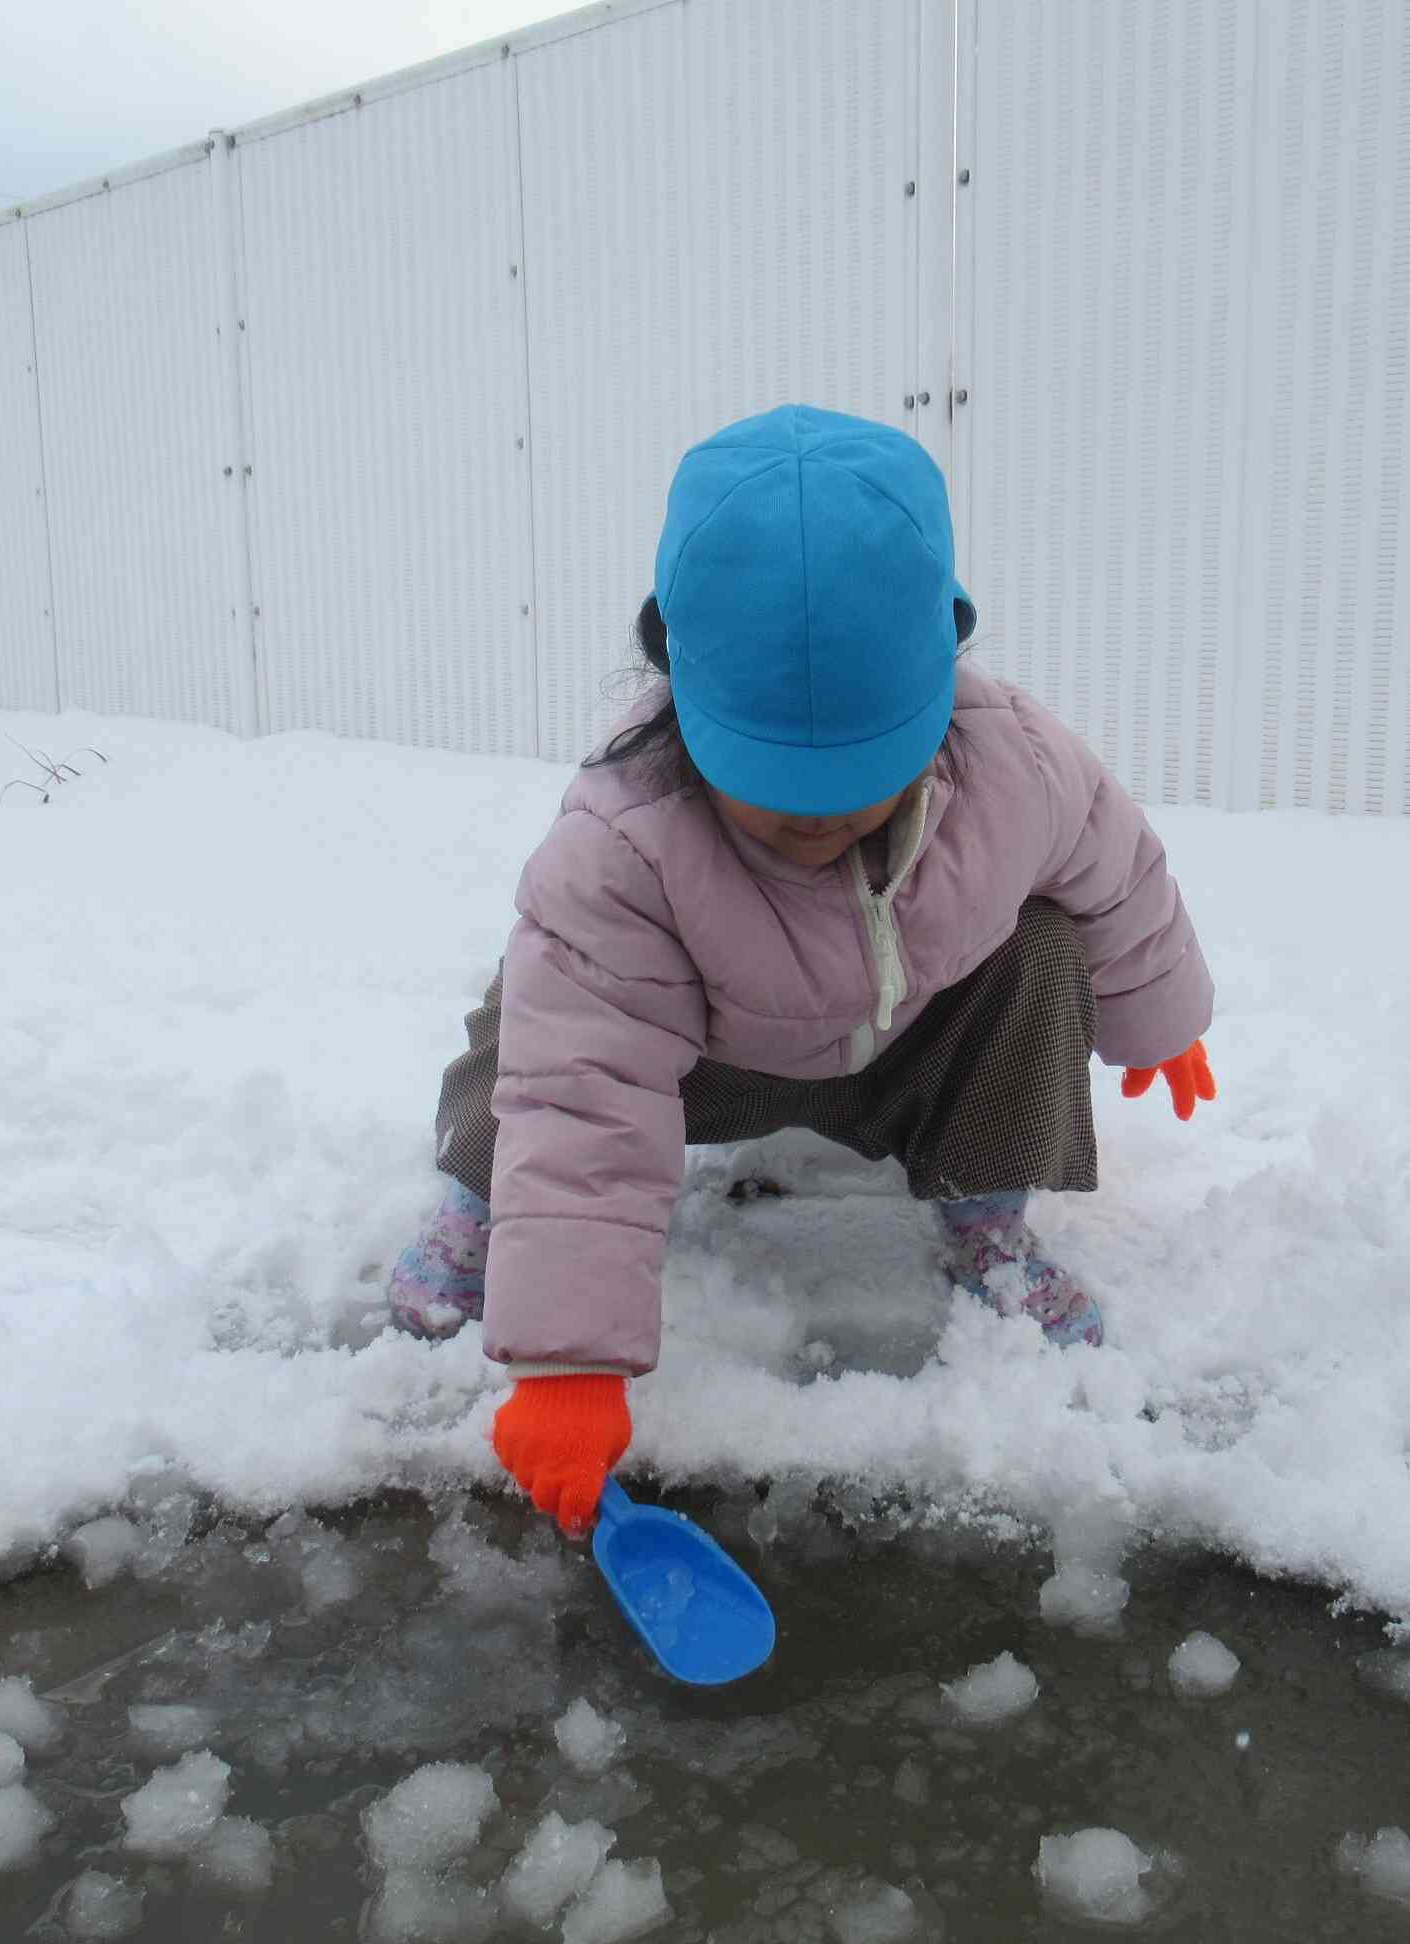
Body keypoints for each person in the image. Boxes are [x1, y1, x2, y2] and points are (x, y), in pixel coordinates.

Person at [385, 404, 1215, 1537]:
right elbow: (585, 1095)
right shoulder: (624, 841)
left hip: (902, 1049)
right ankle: (482, 1209)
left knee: (1042, 953)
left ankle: (987, 1217)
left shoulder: (1014, 763)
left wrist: (1157, 1014)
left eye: (861, 771)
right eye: (771, 776)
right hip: (699, 1069)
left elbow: (1117, 870)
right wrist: (569, 1364)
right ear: (676, 677)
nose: (818, 815)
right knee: (547, 1034)